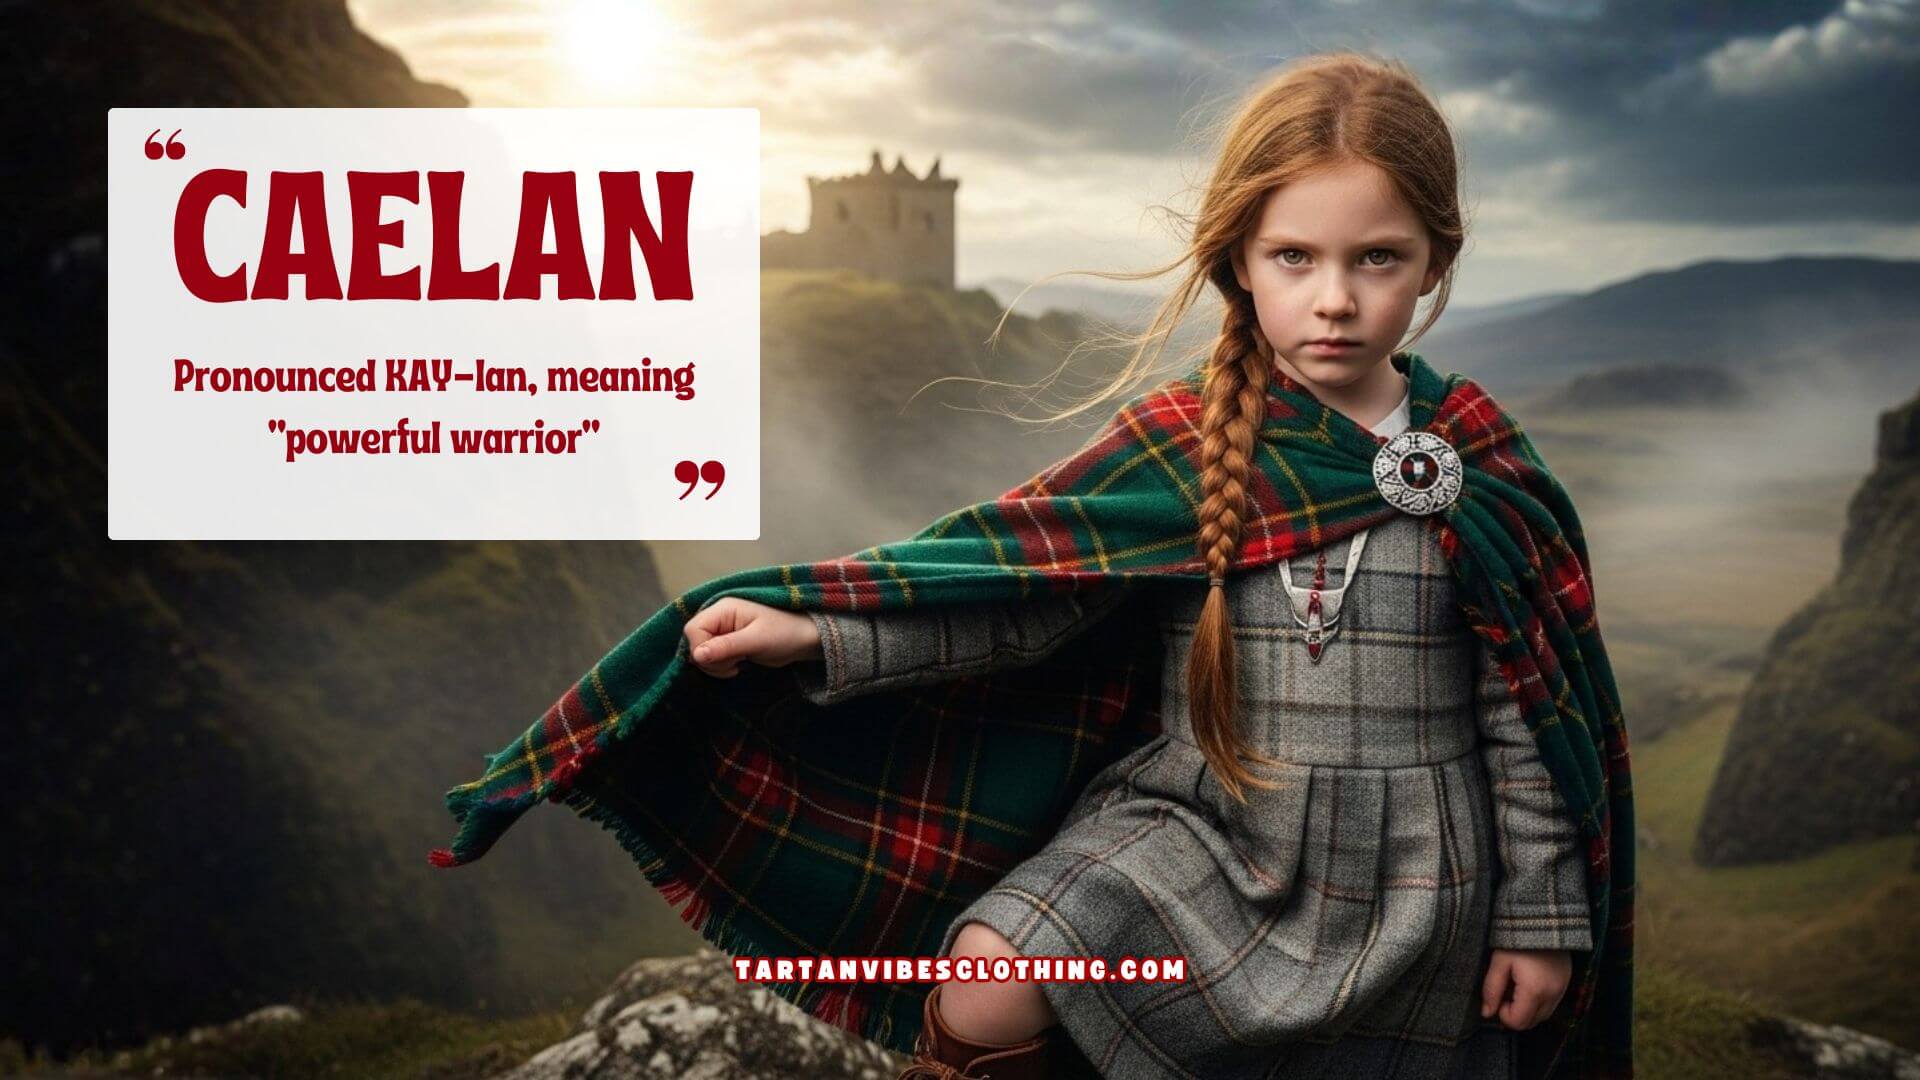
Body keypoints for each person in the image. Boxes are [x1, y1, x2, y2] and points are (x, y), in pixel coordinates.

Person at [433, 50, 1633, 1080]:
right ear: (1240, 263)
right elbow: (1019, 598)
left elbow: (1526, 717)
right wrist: (828, 634)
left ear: (1435, 260)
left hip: (1415, 876)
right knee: (990, 983)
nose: (1334, 299)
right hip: (1199, 830)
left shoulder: (1476, 467)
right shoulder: (1184, 443)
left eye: (1377, 258)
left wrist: (1538, 913)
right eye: (1294, 259)